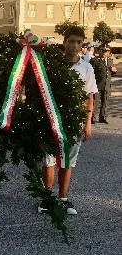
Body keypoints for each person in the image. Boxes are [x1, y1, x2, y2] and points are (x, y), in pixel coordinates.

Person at [41, 26, 97, 215]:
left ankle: (63, 198)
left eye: (79, 42)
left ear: (83, 45)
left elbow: (89, 97)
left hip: (74, 121)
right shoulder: (52, 65)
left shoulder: (87, 67)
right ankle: (46, 198)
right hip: (52, 119)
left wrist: (87, 122)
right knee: (49, 160)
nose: (75, 45)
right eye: (71, 41)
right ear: (64, 42)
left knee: (68, 161)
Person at [90, 47, 117, 124]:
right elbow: (90, 72)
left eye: (107, 51)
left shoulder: (110, 61)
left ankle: (102, 117)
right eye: (104, 51)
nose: (106, 52)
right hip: (97, 85)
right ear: (100, 51)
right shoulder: (95, 60)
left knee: (105, 102)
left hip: (107, 85)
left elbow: (111, 73)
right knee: (95, 103)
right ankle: (93, 118)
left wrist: (114, 71)